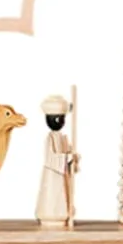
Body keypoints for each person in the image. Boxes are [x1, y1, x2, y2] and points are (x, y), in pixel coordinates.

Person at [35, 93, 77, 229]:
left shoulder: (63, 138)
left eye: (60, 118)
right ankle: (51, 217)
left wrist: (73, 158)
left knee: (63, 195)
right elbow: (50, 158)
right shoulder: (50, 138)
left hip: (61, 175)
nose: (58, 121)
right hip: (53, 175)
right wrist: (65, 158)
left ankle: (63, 216)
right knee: (52, 197)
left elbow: (69, 153)